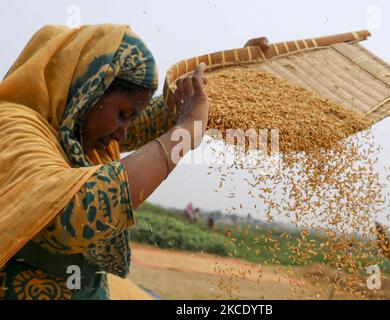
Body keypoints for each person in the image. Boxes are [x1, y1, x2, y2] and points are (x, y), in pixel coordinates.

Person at [0, 23, 269, 300]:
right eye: (122, 114)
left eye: (130, 118)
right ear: (89, 91)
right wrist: (186, 134)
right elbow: (72, 215)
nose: (123, 133)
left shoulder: (76, 133)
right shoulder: (12, 126)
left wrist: (230, 72)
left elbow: (158, 117)